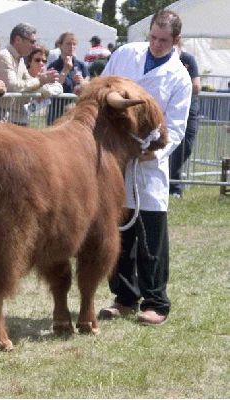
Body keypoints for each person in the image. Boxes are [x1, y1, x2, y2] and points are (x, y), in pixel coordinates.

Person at [99, 10, 192, 325]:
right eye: (152, 37)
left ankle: (156, 302)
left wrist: (155, 153)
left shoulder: (179, 76)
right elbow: (102, 88)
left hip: (149, 165)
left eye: (163, 40)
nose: (155, 44)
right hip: (115, 157)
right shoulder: (125, 54)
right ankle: (124, 298)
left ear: (175, 41)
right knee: (119, 233)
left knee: (151, 233)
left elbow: (177, 128)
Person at [0, 23, 59, 125]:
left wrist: (44, 89)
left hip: (8, 118)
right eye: (32, 41)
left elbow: (30, 81)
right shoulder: (4, 56)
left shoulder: (20, 59)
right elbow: (13, 87)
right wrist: (41, 81)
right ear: (18, 40)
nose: (34, 46)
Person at [169, 41, 201, 198]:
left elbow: (197, 87)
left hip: (190, 108)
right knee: (168, 145)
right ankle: (173, 185)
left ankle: (172, 181)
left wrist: (181, 81)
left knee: (186, 146)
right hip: (170, 108)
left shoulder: (188, 59)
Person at [47, 32, 89, 124]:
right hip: (57, 111)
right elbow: (53, 87)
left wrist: (82, 82)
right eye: (68, 44)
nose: (72, 47)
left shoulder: (81, 65)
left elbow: (89, 85)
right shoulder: (53, 66)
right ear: (60, 45)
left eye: (74, 44)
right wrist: (65, 69)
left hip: (75, 112)